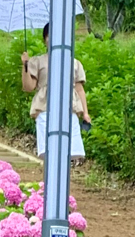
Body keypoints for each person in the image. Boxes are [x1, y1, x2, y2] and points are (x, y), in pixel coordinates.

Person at [21, 24, 90, 157]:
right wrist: (25, 66)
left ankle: (64, 178)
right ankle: (49, 178)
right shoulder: (38, 61)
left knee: (71, 152)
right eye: (49, 36)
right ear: (45, 40)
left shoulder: (74, 62)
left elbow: (79, 89)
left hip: (69, 110)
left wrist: (85, 113)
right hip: (45, 108)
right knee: (48, 152)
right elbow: (28, 87)